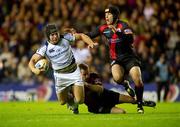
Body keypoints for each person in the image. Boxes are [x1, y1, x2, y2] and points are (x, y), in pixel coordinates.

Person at [86, 5, 145, 113]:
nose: (106, 17)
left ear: (115, 15)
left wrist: (117, 32)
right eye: (105, 15)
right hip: (116, 59)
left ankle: (140, 104)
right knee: (117, 78)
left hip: (129, 58)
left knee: (138, 80)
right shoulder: (103, 28)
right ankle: (125, 84)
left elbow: (130, 40)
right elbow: (89, 34)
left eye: (109, 14)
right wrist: (77, 35)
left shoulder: (124, 25)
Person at [28, 24, 97, 114]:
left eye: (56, 33)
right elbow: (32, 61)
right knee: (62, 102)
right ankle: (71, 101)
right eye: (52, 35)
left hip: (74, 71)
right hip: (60, 76)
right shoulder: (45, 48)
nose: (55, 36)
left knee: (80, 100)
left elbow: (81, 36)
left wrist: (90, 43)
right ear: (48, 37)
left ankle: (75, 102)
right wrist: (34, 70)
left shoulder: (65, 38)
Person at [78, 63, 156, 114]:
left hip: (106, 95)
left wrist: (86, 84)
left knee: (132, 99)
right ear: (79, 74)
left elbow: (100, 89)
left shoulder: (93, 76)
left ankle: (142, 102)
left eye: (88, 73)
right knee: (122, 112)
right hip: (97, 106)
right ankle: (140, 102)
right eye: (84, 74)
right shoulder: (76, 85)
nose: (87, 76)